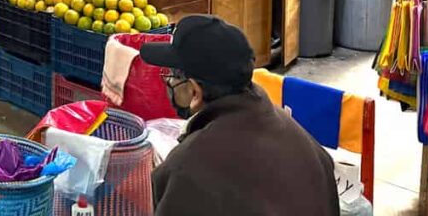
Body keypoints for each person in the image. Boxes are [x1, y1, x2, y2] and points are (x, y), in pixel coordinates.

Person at [139, 15, 340, 216]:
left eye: (173, 76)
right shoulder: (299, 137)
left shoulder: (187, 167)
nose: (169, 83)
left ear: (194, 92)